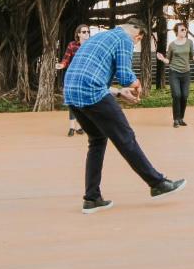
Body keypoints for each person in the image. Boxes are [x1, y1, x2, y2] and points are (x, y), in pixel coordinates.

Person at [64, 18, 186, 213]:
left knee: (96, 140)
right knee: (126, 138)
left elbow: (92, 74)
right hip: (91, 92)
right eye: (138, 41)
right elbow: (124, 74)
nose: (135, 44)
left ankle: (92, 198)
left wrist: (120, 93)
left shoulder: (102, 36)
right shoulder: (125, 39)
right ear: (137, 35)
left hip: (71, 93)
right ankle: (157, 183)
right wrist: (136, 85)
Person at [156, 23, 194, 128]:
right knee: (177, 95)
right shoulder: (172, 45)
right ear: (177, 32)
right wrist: (162, 58)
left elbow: (192, 56)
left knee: (184, 96)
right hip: (174, 72)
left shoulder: (189, 42)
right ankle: (176, 120)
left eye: (185, 29)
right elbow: (168, 60)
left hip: (186, 73)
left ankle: (181, 118)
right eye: (182, 30)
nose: (185, 31)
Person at [56, 24, 91, 137]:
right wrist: (61, 65)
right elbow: (66, 59)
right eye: (84, 32)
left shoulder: (92, 45)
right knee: (72, 102)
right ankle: (72, 127)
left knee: (83, 103)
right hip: (72, 77)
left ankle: (80, 127)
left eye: (88, 32)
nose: (86, 34)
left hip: (85, 78)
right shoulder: (72, 45)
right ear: (78, 34)